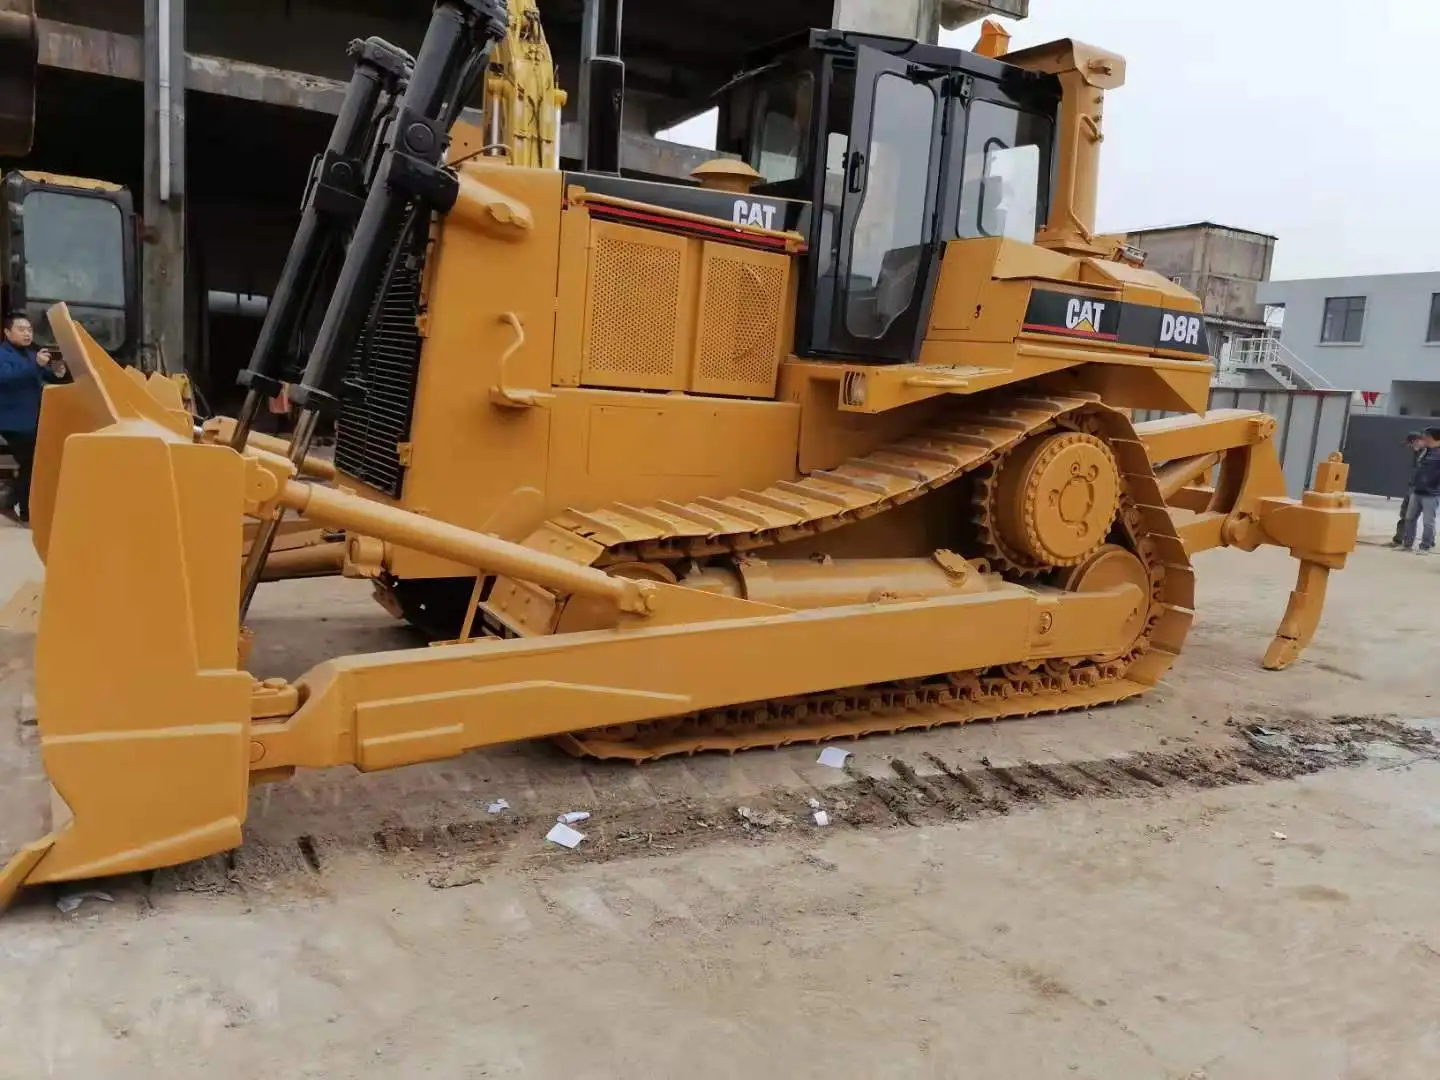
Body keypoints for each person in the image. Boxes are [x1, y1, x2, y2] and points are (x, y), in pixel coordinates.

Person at [0, 313, 67, 524]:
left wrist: (58, 372)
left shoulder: (31, 355)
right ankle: (24, 511)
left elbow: (45, 375)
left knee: (34, 464)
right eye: (21, 329)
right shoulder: (3, 355)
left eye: (29, 329)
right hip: (12, 422)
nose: (27, 333)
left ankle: (10, 503)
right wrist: (37, 366)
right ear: (7, 332)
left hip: (33, 420)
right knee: (30, 463)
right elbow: (8, 379)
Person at [1398, 427, 1440, 555]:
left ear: (1432, 438)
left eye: (1425, 437)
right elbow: (1417, 468)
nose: (1423, 439)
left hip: (1431, 493)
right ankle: (1407, 544)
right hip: (1417, 491)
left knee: (1428, 522)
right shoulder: (1425, 451)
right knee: (1410, 518)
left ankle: (1425, 547)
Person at [1389, 432, 1428, 547]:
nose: (1409, 447)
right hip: (1414, 487)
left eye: (1410, 444)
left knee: (1411, 515)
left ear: (1416, 441)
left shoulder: (1428, 453)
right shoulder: (1419, 453)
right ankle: (1400, 539)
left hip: (1421, 488)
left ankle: (1403, 540)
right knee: (1406, 513)